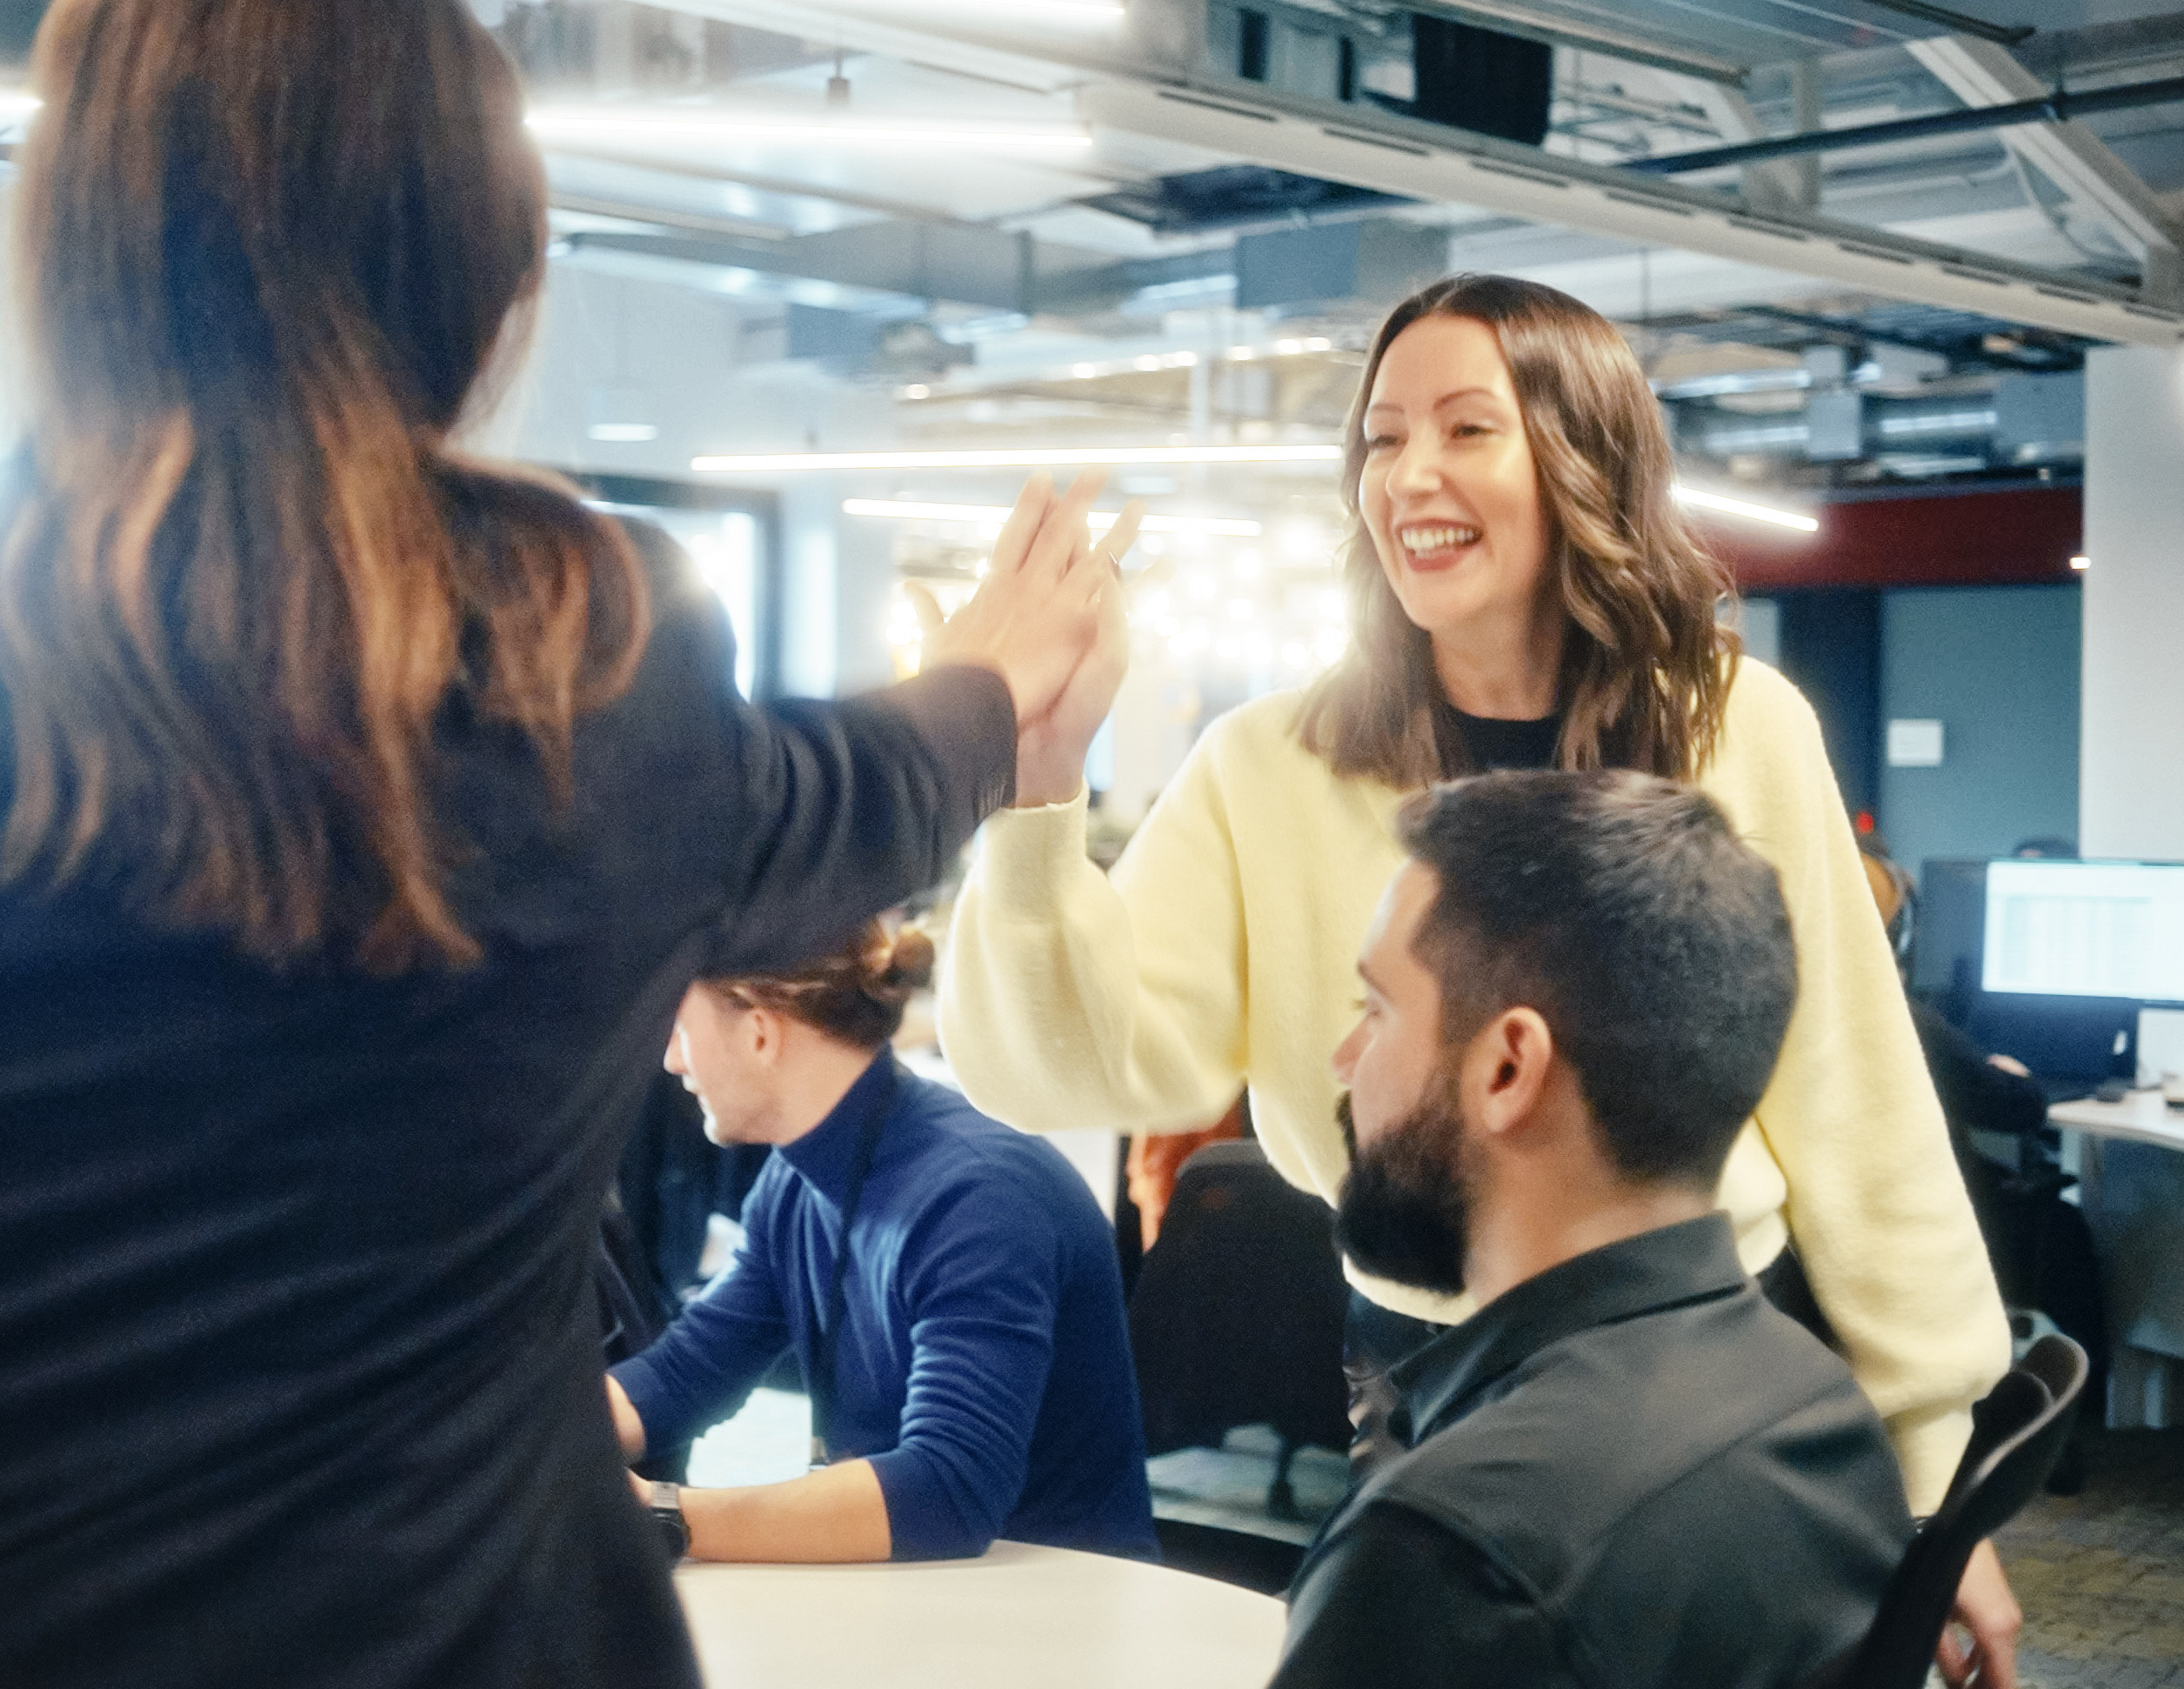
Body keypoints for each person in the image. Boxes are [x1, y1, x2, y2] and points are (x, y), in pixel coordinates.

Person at [0, 3, 1136, 1684]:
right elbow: (862, 789)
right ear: (497, 279)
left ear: (63, 234)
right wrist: (996, 682)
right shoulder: (602, 684)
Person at [937, 271, 2022, 1686]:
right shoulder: (1274, 758)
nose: (1410, 475)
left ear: (1580, 460)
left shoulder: (1729, 724)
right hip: (1422, 1353)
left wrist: (1938, 1478)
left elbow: (1856, 1101)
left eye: (1464, 428)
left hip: (1705, 1334)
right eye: (1380, 438)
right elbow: (1073, 1072)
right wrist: (1036, 789)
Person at [1274, 770, 1914, 1689]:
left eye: (1374, 1010)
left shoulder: (1451, 1555)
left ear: (1507, 1069)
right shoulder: (1816, 1399)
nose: (1345, 1061)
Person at [608, 920, 1157, 1564]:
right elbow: (685, 1373)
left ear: (759, 1033)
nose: (671, 1060)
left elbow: (946, 1492)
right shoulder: (797, 1179)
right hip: (925, 1592)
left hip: (1057, 1608)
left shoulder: (978, 1199)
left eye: (679, 1028)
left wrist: (664, 1513)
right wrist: (520, 1447)